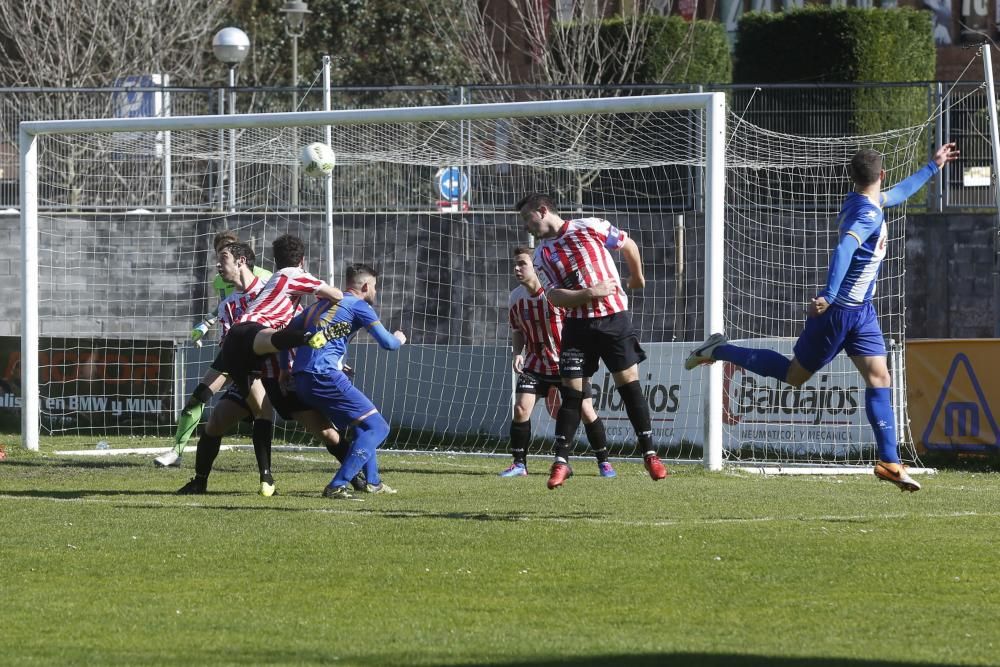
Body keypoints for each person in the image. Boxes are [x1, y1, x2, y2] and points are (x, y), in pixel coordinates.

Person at [684, 142, 960, 492]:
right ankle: (718, 350)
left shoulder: (866, 201)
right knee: (793, 375)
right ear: (881, 175)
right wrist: (829, 296)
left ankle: (890, 462)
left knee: (880, 378)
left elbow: (900, 193)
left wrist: (933, 167)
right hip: (839, 313)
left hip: (862, 313)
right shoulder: (868, 214)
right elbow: (845, 247)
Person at [176, 241, 359, 495]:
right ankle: (200, 480)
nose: (218, 265)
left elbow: (305, 317)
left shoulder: (272, 286)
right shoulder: (227, 306)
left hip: (282, 372)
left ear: (241, 261)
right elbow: (233, 348)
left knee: (326, 431)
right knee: (216, 421)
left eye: (223, 257)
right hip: (252, 372)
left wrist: (331, 357)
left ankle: (359, 477)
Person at [515, 193, 668, 489]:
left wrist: (636, 276)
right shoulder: (541, 255)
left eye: (527, 218)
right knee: (572, 395)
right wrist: (590, 294)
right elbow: (555, 297)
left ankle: (650, 454)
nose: (526, 226)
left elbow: (628, 244)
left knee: (629, 387)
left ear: (542, 211)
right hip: (576, 326)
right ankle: (561, 462)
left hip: (613, 320)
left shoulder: (589, 226)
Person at [218, 234, 343, 494]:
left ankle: (266, 479)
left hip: (251, 358)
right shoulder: (291, 275)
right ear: (303, 260)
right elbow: (336, 294)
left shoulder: (272, 286)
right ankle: (313, 338)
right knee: (327, 431)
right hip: (257, 343)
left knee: (256, 415)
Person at [283, 263, 406, 499]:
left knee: (363, 424)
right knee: (378, 426)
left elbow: (286, 334)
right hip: (324, 375)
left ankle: (373, 482)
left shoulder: (319, 305)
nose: (376, 292)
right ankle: (337, 485)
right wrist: (399, 338)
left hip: (301, 379)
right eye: (376, 288)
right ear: (367, 286)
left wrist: (282, 369)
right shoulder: (358, 305)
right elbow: (388, 344)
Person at [155, 230, 272, 467]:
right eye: (218, 254)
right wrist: (206, 324)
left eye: (226, 253)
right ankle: (177, 451)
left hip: (260, 354)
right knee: (198, 398)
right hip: (231, 350)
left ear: (239, 255)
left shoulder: (265, 279)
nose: (220, 261)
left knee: (266, 411)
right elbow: (224, 306)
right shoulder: (220, 280)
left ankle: (266, 473)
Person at [501, 246, 616, 479]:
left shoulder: (555, 294)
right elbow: (517, 330)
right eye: (515, 264)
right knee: (521, 408)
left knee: (585, 409)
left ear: (536, 267)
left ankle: (604, 462)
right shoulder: (515, 298)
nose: (516, 268)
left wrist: (585, 356)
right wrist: (517, 353)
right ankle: (519, 464)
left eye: (522, 263)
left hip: (566, 364)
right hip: (535, 364)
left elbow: (579, 325)